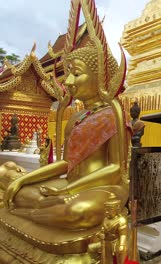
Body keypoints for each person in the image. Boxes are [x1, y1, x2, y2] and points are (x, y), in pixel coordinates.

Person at [0, 43, 129, 230]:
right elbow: (66, 163)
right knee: (16, 186)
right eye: (69, 74)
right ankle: (38, 210)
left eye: (76, 74)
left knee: (78, 211)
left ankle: (26, 213)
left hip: (103, 188)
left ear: (102, 78)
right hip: (71, 181)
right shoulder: (76, 118)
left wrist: (67, 190)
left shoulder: (115, 115)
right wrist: (23, 180)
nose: (68, 81)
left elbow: (116, 168)